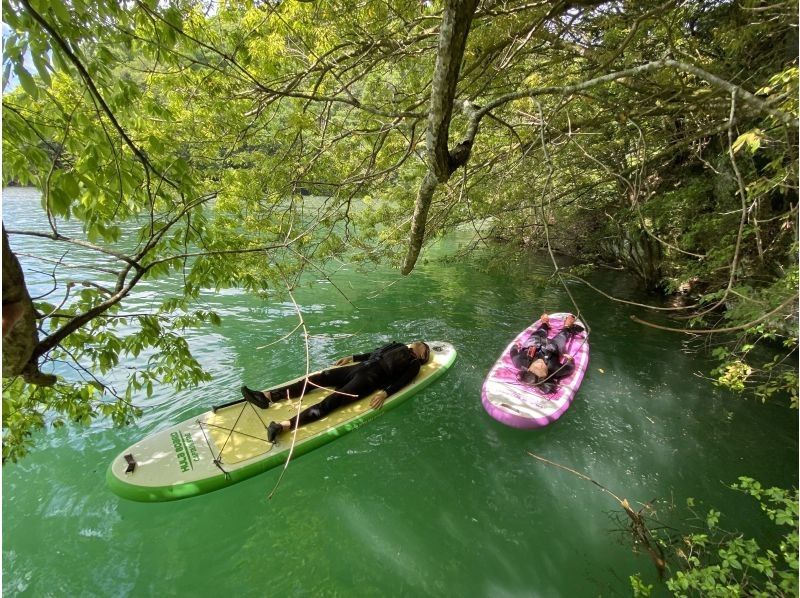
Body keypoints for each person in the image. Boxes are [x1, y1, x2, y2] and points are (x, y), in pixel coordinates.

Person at [241, 341, 431, 443]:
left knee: (333, 401)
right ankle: (268, 396)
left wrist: (385, 393)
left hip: (369, 380)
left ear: (422, 353)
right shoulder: (398, 346)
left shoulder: (413, 364)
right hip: (359, 368)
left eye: (421, 345)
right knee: (318, 377)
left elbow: (403, 382)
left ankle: (283, 426)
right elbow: (374, 353)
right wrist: (352, 357)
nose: (417, 342)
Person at [510, 313, 584, 393]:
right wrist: (571, 360)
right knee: (562, 337)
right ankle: (567, 326)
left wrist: (515, 345)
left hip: (534, 342)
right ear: (547, 375)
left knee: (540, 332)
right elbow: (570, 368)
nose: (540, 364)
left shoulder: (520, 362)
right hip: (554, 347)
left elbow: (513, 352)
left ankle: (545, 323)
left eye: (535, 368)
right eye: (542, 369)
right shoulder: (556, 369)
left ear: (528, 369)